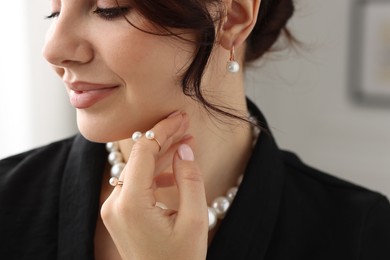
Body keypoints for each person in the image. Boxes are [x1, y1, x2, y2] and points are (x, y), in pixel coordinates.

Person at [1, 0, 390, 259]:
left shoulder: (358, 234)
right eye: (53, 11)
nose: (54, 50)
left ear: (233, 16)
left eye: (109, 7)